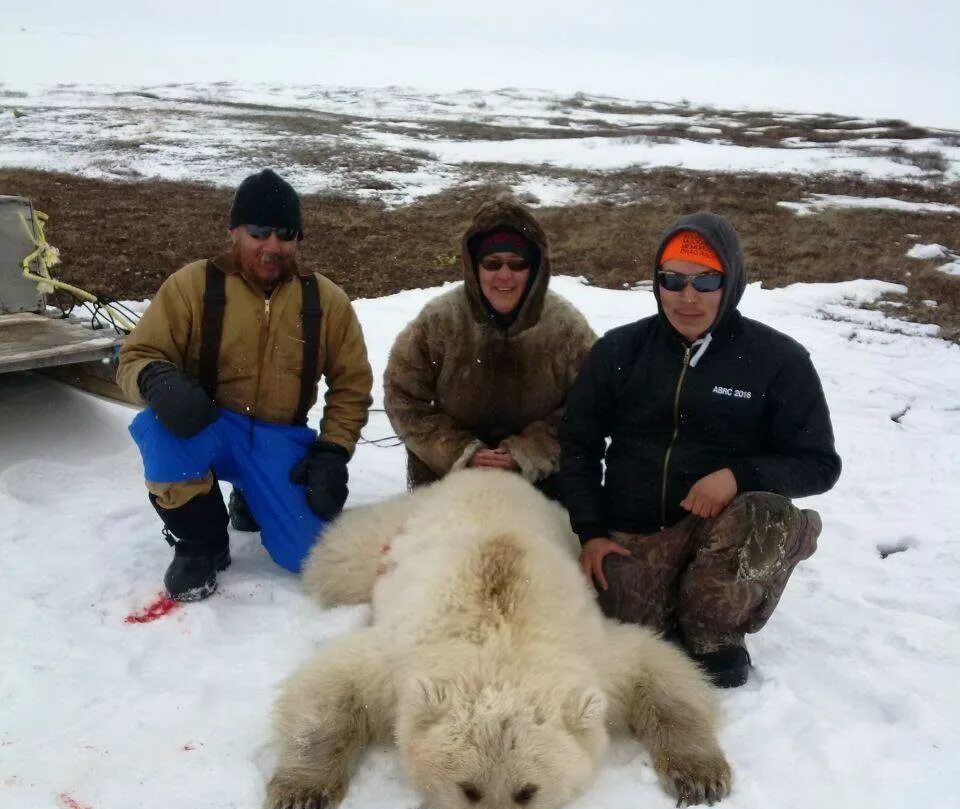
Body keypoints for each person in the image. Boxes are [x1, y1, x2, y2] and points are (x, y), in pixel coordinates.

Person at [559, 212, 841, 687]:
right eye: (674, 280)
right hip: (636, 532)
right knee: (619, 639)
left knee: (765, 515)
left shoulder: (778, 361)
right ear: (658, 282)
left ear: (730, 283)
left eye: (706, 281)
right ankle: (666, 599)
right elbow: (579, 443)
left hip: (721, 530)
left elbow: (819, 464)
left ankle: (713, 632)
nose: (688, 297)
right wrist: (589, 531)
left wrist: (737, 476)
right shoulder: (619, 351)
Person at [117, 169, 373, 601]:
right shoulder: (191, 286)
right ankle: (201, 543)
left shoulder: (326, 302)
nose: (273, 245)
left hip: (278, 437)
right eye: (259, 231)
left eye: (286, 233)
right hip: (209, 425)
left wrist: (333, 451)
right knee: (159, 429)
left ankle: (252, 497)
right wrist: (156, 379)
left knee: (309, 556)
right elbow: (135, 357)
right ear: (234, 231)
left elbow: (352, 384)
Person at [383, 194, 596, 499]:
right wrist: (463, 453)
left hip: (539, 483)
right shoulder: (439, 321)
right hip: (447, 476)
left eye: (517, 263)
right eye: (492, 263)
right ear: (475, 266)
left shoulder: (567, 329)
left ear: (534, 268)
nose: (504, 275)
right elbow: (403, 396)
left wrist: (525, 455)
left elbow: (589, 409)